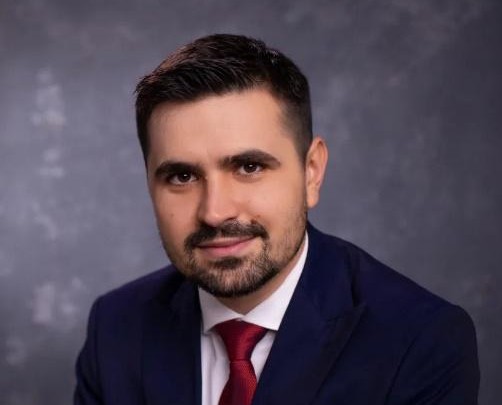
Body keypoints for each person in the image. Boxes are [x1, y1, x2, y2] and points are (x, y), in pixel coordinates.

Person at [74, 34, 479, 405]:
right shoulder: (116, 328)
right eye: (182, 176)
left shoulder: (420, 341)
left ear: (311, 173)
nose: (214, 212)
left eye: (249, 167)